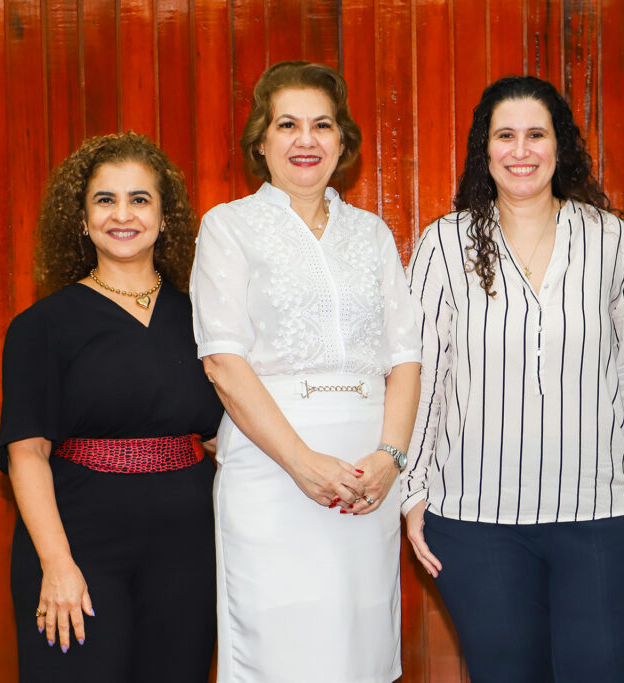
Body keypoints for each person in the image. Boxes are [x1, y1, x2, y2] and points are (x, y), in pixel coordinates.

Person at [403, 75, 624, 683]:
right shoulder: (444, 243)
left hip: (601, 510)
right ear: (484, 150)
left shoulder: (610, 239)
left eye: (536, 134)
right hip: (475, 515)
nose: (521, 150)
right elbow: (423, 376)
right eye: (505, 135)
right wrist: (411, 492)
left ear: (558, 146)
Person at [189, 60, 421, 683]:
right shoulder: (228, 226)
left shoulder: (371, 233)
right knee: (281, 652)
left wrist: (390, 457)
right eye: (286, 124)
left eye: (322, 125)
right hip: (272, 473)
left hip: (367, 476)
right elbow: (222, 361)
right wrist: (301, 462)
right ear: (260, 141)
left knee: (359, 649)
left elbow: (405, 357)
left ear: (342, 140)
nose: (305, 139)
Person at [0, 132, 224, 682]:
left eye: (140, 199)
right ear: (81, 219)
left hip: (187, 546)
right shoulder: (41, 326)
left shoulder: (207, 321)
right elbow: (26, 452)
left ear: (166, 217)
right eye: (105, 200)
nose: (123, 215)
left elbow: (227, 439)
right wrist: (57, 565)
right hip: (78, 543)